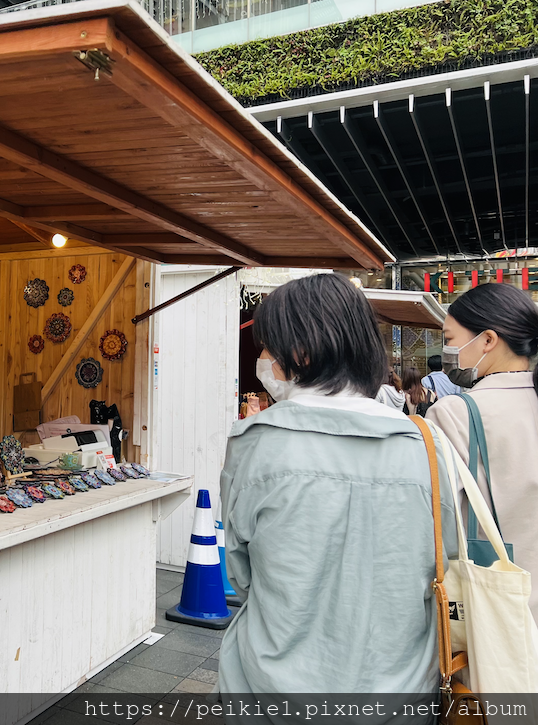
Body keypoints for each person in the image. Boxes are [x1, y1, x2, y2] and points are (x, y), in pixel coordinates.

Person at [221, 273, 457, 698]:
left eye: (268, 347)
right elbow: (445, 560)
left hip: (273, 685)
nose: (264, 359)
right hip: (401, 687)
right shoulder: (427, 444)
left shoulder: (256, 443)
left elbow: (241, 575)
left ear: (300, 352)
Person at [426, 282, 538, 620]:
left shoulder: (455, 413)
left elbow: (436, 520)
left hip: (498, 608)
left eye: (449, 339)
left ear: (488, 340)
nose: (448, 351)